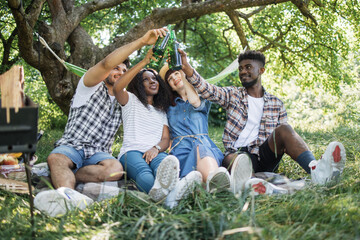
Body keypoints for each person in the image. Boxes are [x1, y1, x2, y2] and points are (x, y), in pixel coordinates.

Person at [34, 28, 169, 217]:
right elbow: (106, 63)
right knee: (57, 159)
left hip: (98, 154)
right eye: (117, 68)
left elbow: (154, 93)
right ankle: (67, 196)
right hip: (72, 145)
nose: (120, 72)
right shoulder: (89, 85)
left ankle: (61, 176)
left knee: (116, 170)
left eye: (124, 71)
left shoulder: (126, 100)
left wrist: (154, 62)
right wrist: (141, 42)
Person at [179, 49, 346, 194]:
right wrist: (187, 67)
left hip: (265, 155)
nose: (243, 71)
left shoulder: (276, 104)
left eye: (248, 67)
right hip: (238, 155)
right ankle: (255, 185)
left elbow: (285, 142)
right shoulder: (233, 95)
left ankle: (316, 170)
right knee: (233, 158)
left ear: (262, 70)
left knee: (285, 129)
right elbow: (208, 90)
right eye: (241, 68)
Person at [113, 46, 183, 202]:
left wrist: (155, 148)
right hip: (131, 152)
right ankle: (168, 201)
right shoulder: (130, 100)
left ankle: (170, 197)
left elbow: (166, 139)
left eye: (155, 79)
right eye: (146, 79)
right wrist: (144, 61)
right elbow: (117, 87)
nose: (152, 81)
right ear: (138, 84)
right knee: (145, 175)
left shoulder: (161, 111)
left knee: (164, 170)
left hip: (155, 152)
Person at [159, 63, 235, 197]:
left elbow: (194, 102)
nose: (174, 78)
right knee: (198, 154)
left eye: (176, 73)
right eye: (170, 79)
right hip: (181, 151)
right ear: (169, 86)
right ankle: (212, 186)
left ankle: (213, 182)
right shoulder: (168, 107)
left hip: (204, 148)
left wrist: (182, 72)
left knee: (201, 147)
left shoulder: (203, 97)